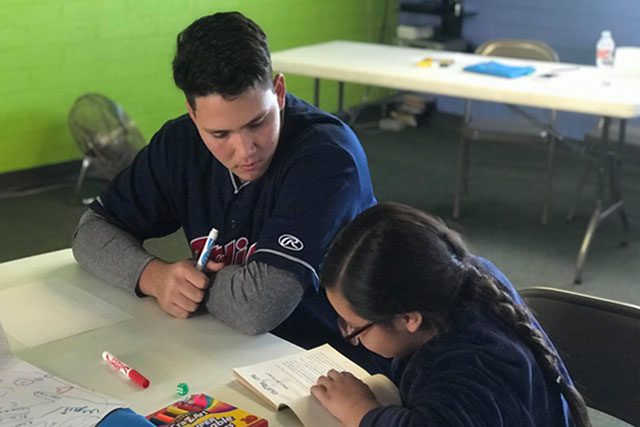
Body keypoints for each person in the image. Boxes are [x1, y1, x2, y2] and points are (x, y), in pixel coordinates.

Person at [72, 11, 388, 373]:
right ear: (192, 116)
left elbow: (258, 307)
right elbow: (89, 232)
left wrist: (196, 284)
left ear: (279, 93)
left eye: (258, 122)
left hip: (327, 364)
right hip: (225, 349)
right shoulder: (179, 143)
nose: (245, 150)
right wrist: (153, 276)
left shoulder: (328, 158)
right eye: (219, 135)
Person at [310, 203, 591, 427]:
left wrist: (359, 412)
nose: (348, 333)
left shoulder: (470, 365)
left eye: (355, 328)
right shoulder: (464, 276)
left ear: (409, 319)